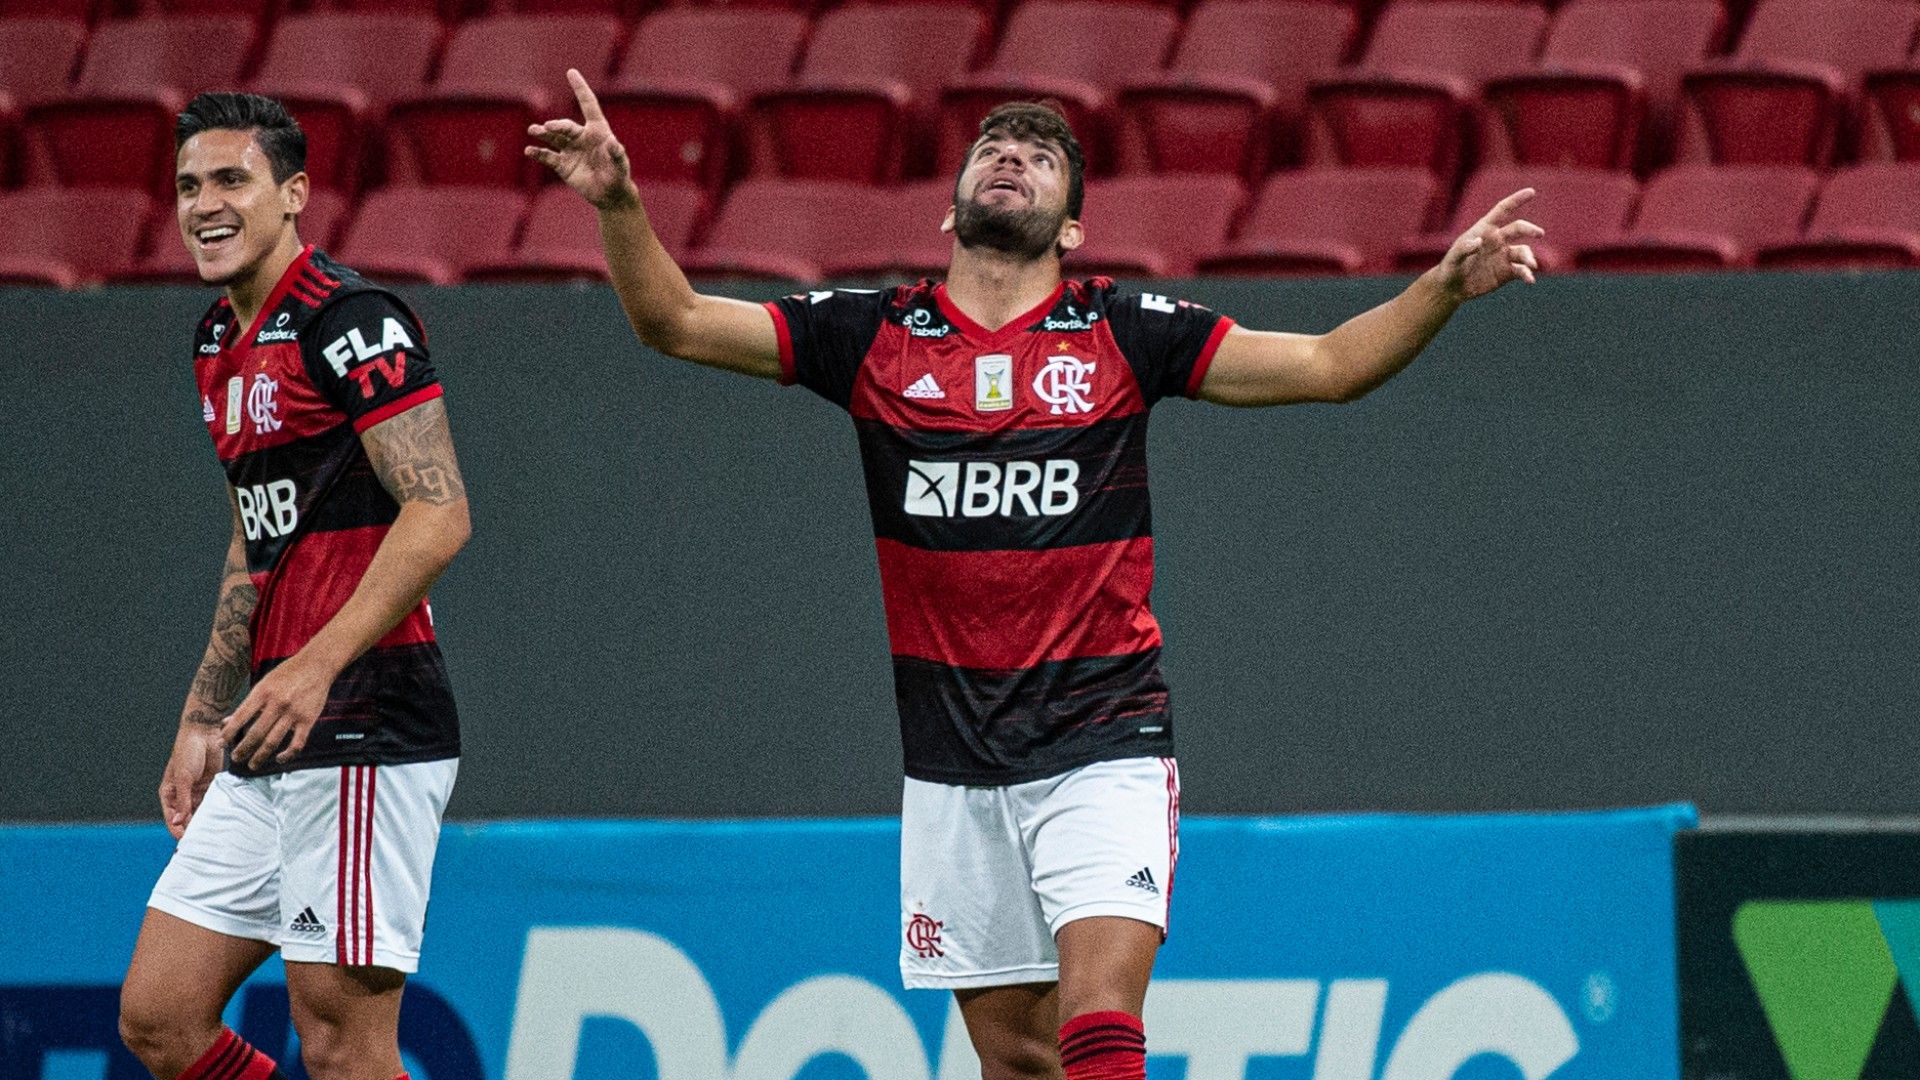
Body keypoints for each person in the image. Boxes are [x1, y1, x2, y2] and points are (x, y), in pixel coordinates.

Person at [528, 69, 1542, 1080]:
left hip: (1105, 741)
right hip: (954, 763)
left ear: (1071, 231)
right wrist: (620, 204)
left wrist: (1444, 284)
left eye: (1040, 157)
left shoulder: (1125, 330)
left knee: (1101, 1024)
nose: (1011, 159)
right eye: (992, 151)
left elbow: (1327, 367)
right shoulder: (872, 335)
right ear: (949, 206)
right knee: (1019, 1060)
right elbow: (676, 321)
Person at [117, 92, 471, 1080]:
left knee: (342, 1046)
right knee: (160, 1015)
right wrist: (202, 711)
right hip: (269, 727)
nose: (204, 204)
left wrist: (315, 668)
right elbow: (256, 533)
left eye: (232, 179)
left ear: (295, 194)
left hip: (364, 719)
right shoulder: (215, 343)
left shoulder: (351, 321)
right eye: (188, 185)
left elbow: (441, 513)